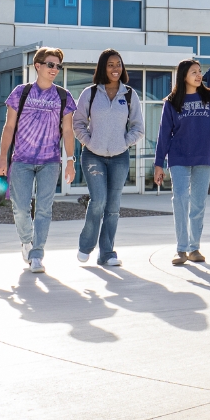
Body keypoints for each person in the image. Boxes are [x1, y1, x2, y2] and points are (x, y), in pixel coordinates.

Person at [0, 47, 76, 274]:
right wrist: (2, 158)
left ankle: (37, 253)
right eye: (50, 64)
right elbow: (9, 127)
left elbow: (68, 131)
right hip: (21, 160)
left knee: (43, 209)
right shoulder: (21, 93)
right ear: (37, 66)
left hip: (50, 161)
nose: (54, 69)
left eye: (58, 66)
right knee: (20, 208)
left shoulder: (63, 96)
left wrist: (70, 160)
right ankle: (26, 241)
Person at [154, 59, 210, 265]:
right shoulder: (172, 101)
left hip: (204, 156)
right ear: (183, 75)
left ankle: (194, 248)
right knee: (181, 199)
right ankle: (181, 249)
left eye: (200, 71)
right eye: (193, 72)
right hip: (179, 157)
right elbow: (164, 135)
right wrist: (159, 163)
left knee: (198, 204)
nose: (198, 75)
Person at [73, 49, 144, 267]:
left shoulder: (130, 95)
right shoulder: (91, 93)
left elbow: (138, 128)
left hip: (119, 157)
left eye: (119, 64)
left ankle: (107, 253)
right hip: (93, 156)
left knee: (113, 207)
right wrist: (89, 141)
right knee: (98, 201)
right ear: (103, 67)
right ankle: (86, 245)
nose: (115, 68)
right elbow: (78, 123)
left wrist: (124, 142)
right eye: (111, 64)